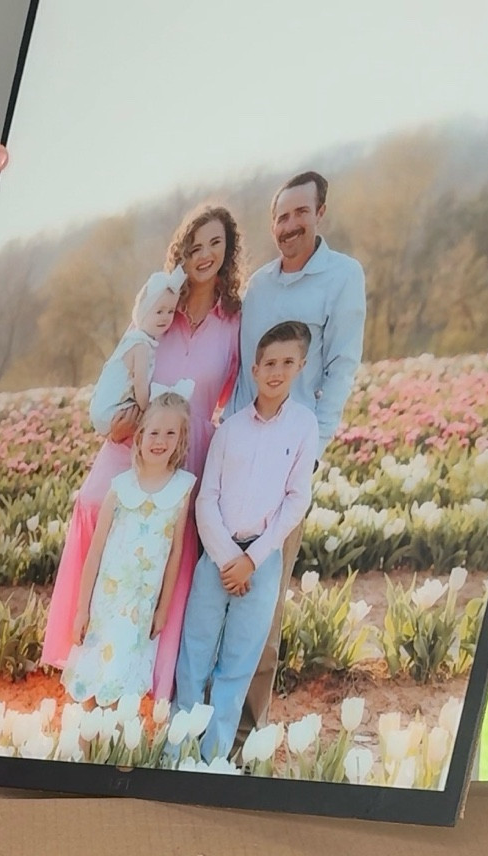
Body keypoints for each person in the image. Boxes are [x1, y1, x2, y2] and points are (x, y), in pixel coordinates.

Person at [42, 205, 242, 701]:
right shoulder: (160, 313)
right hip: (137, 435)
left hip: (191, 444)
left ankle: (153, 671)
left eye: (215, 244)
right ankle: (85, 643)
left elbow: (230, 398)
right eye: (194, 247)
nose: (205, 255)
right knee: (94, 506)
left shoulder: (234, 321)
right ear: (181, 253)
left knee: (173, 545)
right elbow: (121, 372)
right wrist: (119, 421)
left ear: (228, 251)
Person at [230, 170, 366, 729]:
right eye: (281, 217)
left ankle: (245, 727)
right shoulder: (258, 286)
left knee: (264, 598)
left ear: (320, 213)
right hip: (236, 457)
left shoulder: (342, 276)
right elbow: (242, 370)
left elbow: (341, 369)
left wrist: (314, 450)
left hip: (289, 465)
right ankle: (198, 716)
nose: (289, 226)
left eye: (299, 214)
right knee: (219, 588)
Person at [174, 321, 317, 764]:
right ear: (254, 369)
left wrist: (251, 560)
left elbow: (296, 501)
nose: (277, 371)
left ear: (300, 366)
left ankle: (214, 758)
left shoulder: (303, 427)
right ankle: (176, 751)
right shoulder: (230, 429)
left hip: (261, 560)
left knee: (236, 664)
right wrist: (225, 558)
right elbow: (207, 498)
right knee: (194, 655)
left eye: (287, 363)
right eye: (269, 363)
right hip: (216, 557)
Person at [63, 391, 193, 712]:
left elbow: (175, 553)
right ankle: (84, 748)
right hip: (107, 603)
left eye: (170, 433)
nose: (160, 440)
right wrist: (82, 609)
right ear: (139, 437)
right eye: (153, 432)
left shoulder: (182, 487)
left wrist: (163, 608)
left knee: (124, 682)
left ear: (181, 440)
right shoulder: (120, 486)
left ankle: (114, 749)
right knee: (93, 680)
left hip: (141, 608)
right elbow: (95, 552)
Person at [89, 268, 186, 435]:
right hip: (111, 413)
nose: (165, 317)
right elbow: (140, 384)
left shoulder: (133, 339)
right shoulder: (141, 346)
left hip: (101, 410)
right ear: (143, 311)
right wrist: (147, 411)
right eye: (159, 311)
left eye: (170, 311)